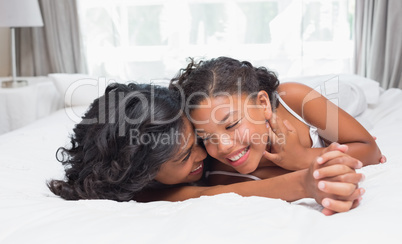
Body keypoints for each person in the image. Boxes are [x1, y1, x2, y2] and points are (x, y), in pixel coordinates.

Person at [48, 82, 364, 215]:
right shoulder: (146, 189)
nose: (205, 154)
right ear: (145, 175)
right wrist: (307, 183)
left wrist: (303, 157)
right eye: (186, 156)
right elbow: (204, 196)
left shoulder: (228, 126)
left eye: (195, 140)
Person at [169, 56, 382, 186]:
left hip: (336, 99)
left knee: (358, 96)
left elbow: (371, 150)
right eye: (207, 137)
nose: (223, 147)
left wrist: (303, 157)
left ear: (262, 104)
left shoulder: (295, 99)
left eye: (232, 125)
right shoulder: (221, 174)